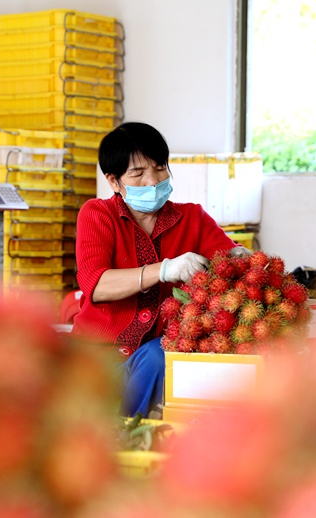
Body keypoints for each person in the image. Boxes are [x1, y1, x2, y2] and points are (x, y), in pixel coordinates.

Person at [72, 122, 251, 418]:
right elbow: (96, 284)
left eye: (159, 168)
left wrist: (240, 259)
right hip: (97, 357)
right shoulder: (97, 214)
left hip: (157, 357)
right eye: (138, 174)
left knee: (160, 355)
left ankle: (132, 438)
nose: (153, 181)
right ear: (114, 181)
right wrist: (164, 269)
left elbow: (229, 259)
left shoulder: (192, 217)